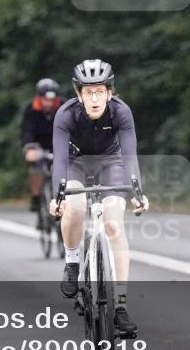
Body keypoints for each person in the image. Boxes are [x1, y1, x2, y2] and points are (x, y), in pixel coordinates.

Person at [49, 59, 149, 335]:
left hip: (111, 163)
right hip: (75, 163)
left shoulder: (121, 112)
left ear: (109, 92)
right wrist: (57, 196)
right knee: (77, 207)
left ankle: (120, 306)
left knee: (113, 225)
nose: (94, 98)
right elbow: (58, 160)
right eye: (88, 92)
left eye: (100, 91)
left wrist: (137, 191)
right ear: (78, 94)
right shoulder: (66, 115)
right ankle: (72, 263)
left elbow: (130, 155)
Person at [21, 78, 62, 217]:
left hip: (58, 146)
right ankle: (36, 197)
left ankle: (63, 199)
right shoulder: (31, 110)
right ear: (40, 97)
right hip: (38, 146)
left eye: (51, 99)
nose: (48, 103)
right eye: (45, 99)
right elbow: (27, 131)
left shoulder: (63, 107)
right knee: (36, 168)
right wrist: (29, 147)